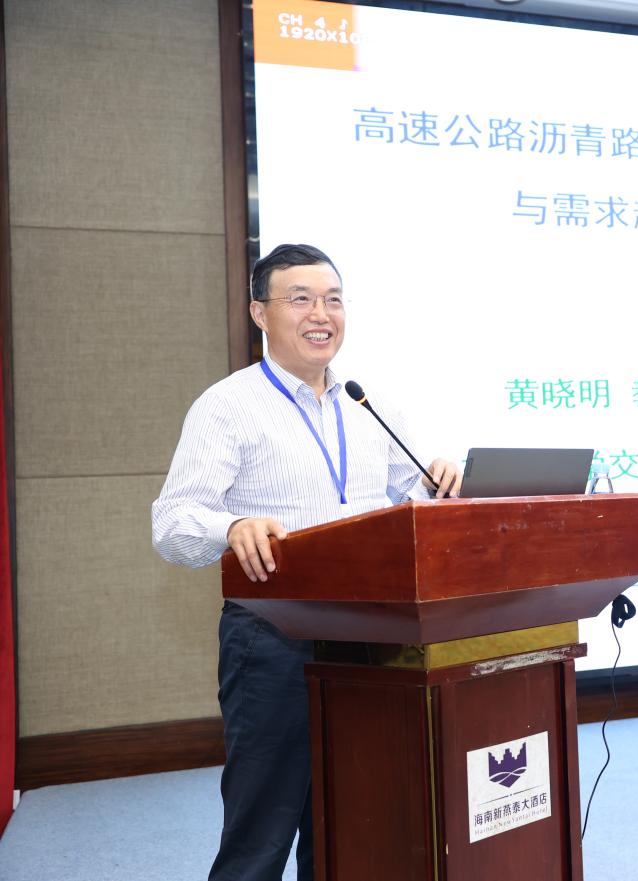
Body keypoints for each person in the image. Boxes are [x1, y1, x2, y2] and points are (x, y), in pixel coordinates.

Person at [151, 244, 461, 881]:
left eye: (333, 300)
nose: (322, 314)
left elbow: (414, 497)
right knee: (260, 835)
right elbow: (173, 523)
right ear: (259, 313)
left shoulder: (367, 405)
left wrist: (440, 484)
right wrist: (231, 526)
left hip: (370, 639)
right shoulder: (228, 405)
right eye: (301, 299)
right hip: (272, 639)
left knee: (352, 823)